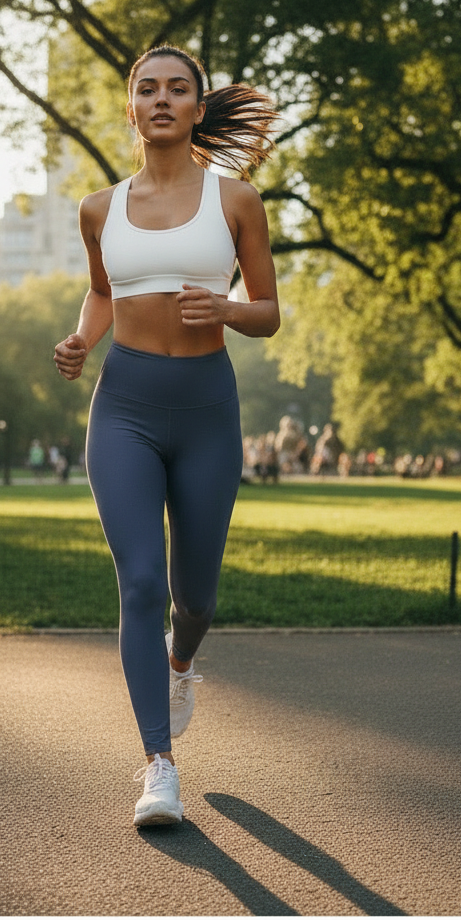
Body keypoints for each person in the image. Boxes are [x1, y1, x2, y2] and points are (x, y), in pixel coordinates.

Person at [53, 45, 280, 828]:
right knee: (142, 583)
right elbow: (100, 292)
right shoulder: (98, 208)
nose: (160, 99)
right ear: (130, 108)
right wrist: (82, 339)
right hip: (126, 409)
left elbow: (268, 314)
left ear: (195, 107)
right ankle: (159, 767)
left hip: (208, 409)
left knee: (196, 599)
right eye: (146, 89)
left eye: (176, 89)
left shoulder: (236, 200)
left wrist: (224, 310)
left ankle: (181, 664)